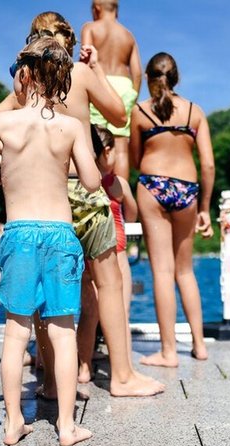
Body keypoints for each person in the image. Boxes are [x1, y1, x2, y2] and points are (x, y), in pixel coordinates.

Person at [0, 12, 163, 398]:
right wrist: (93, 69)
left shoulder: (24, 84)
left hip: (41, 195)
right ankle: (123, 377)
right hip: (82, 186)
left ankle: (48, 380)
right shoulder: (77, 73)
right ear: (69, 43)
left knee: (45, 290)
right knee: (108, 283)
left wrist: (7, 163)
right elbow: (118, 113)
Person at [0, 36, 95, 446]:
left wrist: (6, 173)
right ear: (62, 79)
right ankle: (66, 427)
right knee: (63, 332)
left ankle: (13, 423)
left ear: (23, 74)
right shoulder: (71, 127)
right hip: (60, 234)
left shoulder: (5, 123)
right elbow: (92, 179)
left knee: (16, 333)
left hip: (19, 232)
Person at [130, 52, 215, 367]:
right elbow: (207, 164)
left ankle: (168, 352)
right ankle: (200, 345)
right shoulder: (195, 112)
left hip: (153, 186)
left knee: (162, 272)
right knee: (185, 271)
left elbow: (135, 159)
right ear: (176, 78)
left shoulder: (139, 113)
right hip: (187, 189)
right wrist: (204, 206)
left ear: (149, 79)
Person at [77, 126, 137, 382]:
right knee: (120, 311)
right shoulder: (116, 183)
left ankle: (84, 367)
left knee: (89, 312)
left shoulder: (80, 181)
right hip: (115, 249)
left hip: (85, 248)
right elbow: (132, 213)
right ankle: (124, 368)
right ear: (109, 151)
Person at [81, 0, 142, 179]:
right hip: (124, 87)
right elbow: (137, 73)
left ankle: (93, 190)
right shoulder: (128, 35)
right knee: (121, 148)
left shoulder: (90, 28)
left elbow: (86, 62)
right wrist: (131, 98)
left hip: (100, 83)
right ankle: (119, 199)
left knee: (94, 138)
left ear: (97, 8)